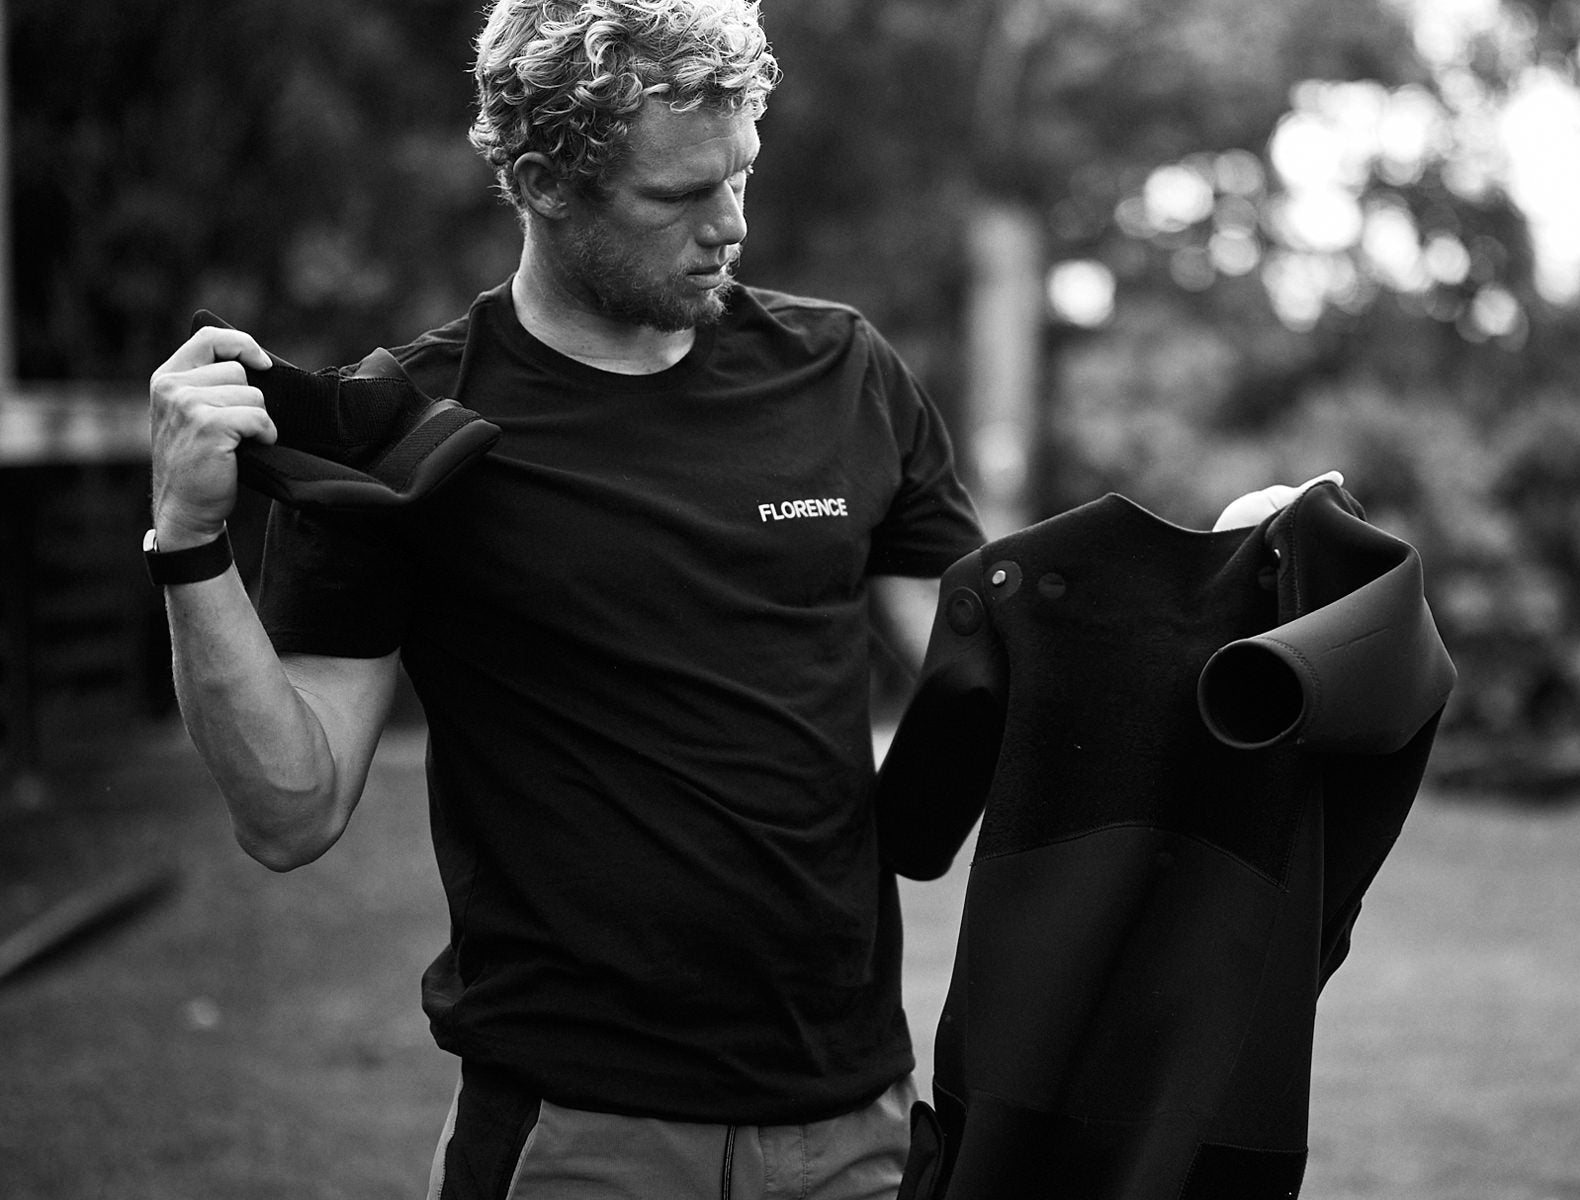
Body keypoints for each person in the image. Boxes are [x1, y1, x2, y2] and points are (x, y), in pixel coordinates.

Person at [144, 2, 984, 1196]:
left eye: (740, 174)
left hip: (852, 1121)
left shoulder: (843, 372)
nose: (731, 225)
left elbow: (991, 670)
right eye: (677, 197)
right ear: (544, 181)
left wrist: (1217, 585)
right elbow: (291, 811)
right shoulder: (407, 428)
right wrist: (186, 540)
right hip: (578, 1137)